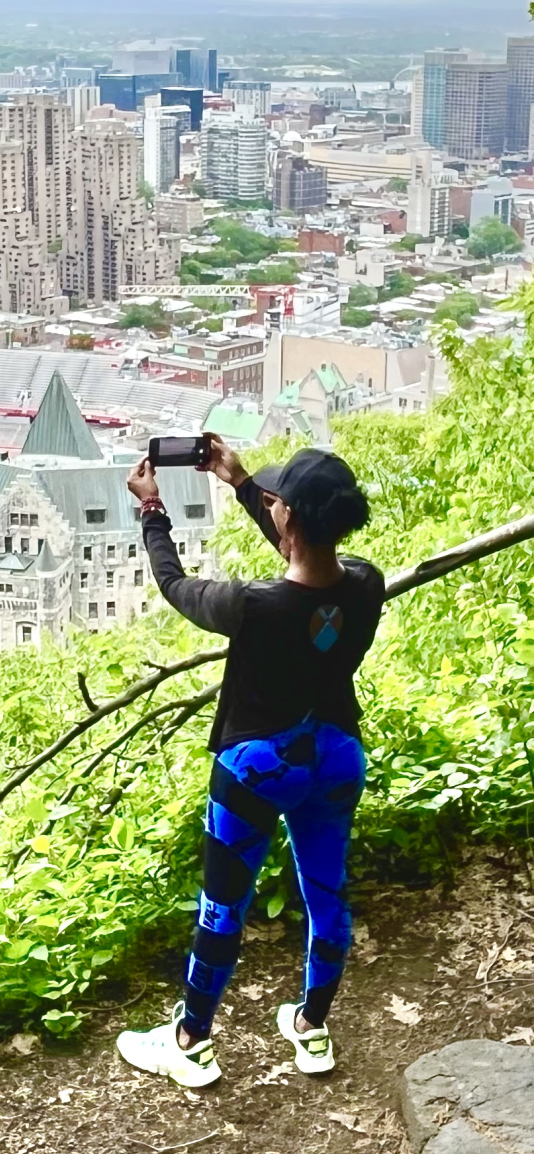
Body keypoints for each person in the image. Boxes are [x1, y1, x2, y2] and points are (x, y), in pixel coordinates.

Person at [115, 436, 382, 1088]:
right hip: (337, 758)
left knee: (222, 907)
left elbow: (176, 586)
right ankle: (312, 1027)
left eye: (275, 500)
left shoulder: (251, 606)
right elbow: (309, 566)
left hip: (259, 769)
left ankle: (190, 1040)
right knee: (327, 893)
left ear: (285, 517)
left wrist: (152, 511)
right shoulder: (365, 584)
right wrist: (238, 484)